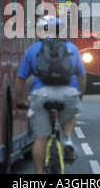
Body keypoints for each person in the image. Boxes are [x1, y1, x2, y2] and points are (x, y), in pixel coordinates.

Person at [14, 15, 87, 174]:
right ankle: (67, 140)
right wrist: (79, 95)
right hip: (68, 93)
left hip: (41, 94)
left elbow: (20, 80)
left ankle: (40, 175)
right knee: (69, 113)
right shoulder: (71, 48)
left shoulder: (33, 49)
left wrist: (19, 100)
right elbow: (81, 75)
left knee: (40, 139)